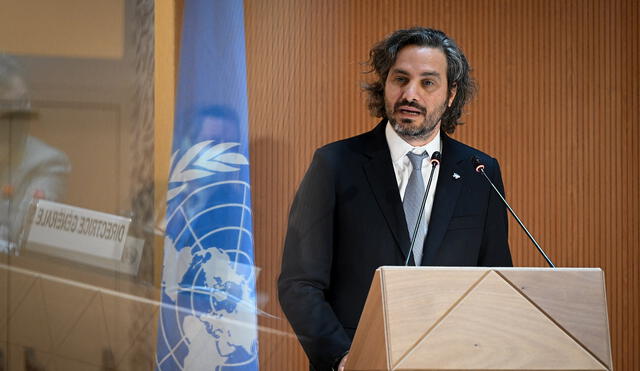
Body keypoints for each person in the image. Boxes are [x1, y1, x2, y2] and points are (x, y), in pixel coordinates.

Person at [278, 27, 513, 371]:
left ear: (451, 95)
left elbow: (496, 279)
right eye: (400, 79)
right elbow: (299, 282)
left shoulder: (480, 171)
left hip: (453, 359)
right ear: (384, 85)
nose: (409, 94)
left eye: (428, 83)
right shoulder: (335, 164)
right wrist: (344, 358)